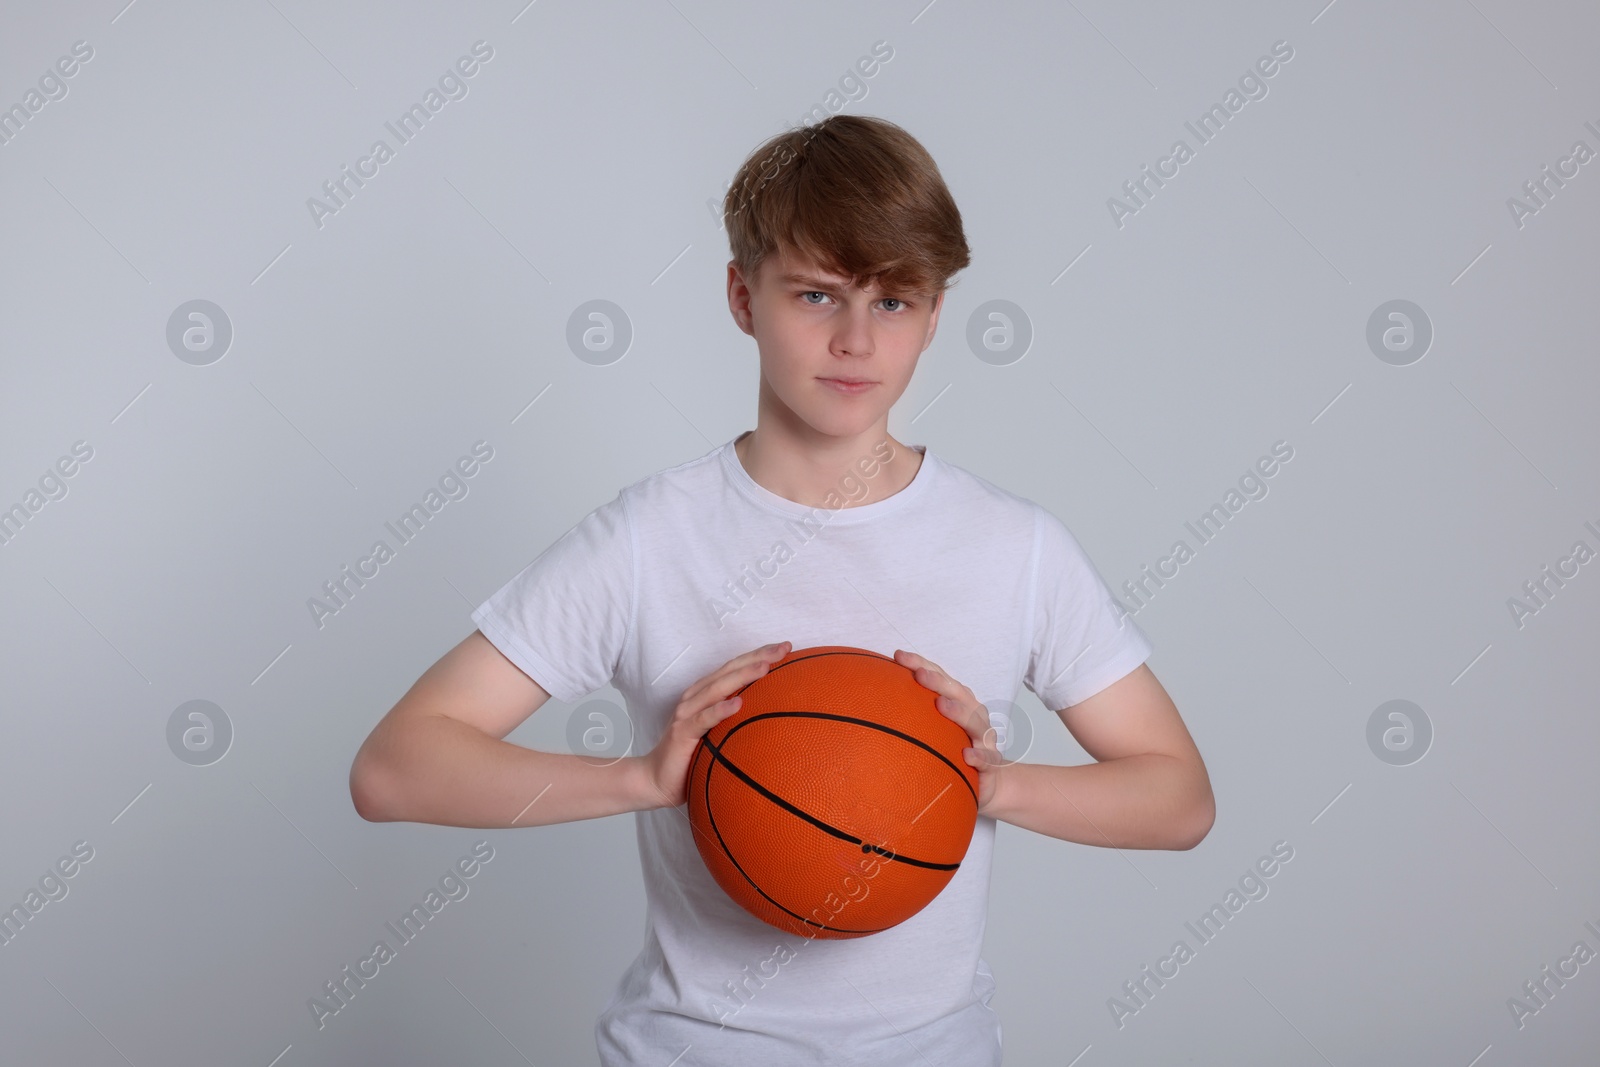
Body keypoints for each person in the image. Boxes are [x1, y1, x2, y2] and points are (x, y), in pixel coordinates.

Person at [349, 113, 1214, 1066]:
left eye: (894, 301)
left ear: (934, 315)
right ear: (741, 295)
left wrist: (988, 785)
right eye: (816, 294)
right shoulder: (649, 539)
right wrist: (639, 781)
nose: (854, 340)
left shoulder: (1015, 547)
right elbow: (395, 769)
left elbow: (1179, 800)